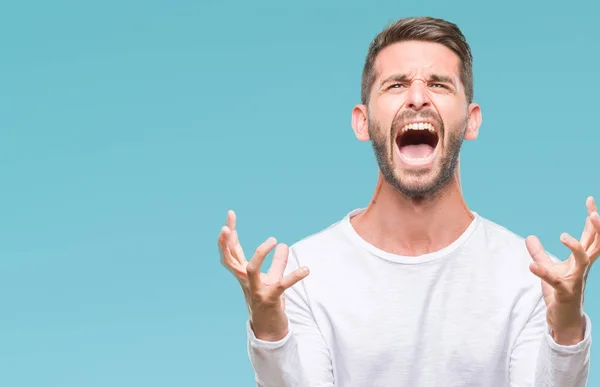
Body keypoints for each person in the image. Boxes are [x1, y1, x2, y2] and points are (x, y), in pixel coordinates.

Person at [217, 16, 597, 386]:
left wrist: (564, 329)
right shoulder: (303, 273)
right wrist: (269, 331)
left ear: (472, 120)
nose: (417, 98)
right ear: (362, 122)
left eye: (440, 85)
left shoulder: (527, 275)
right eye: (396, 85)